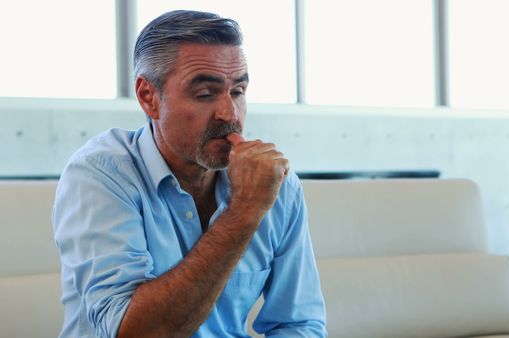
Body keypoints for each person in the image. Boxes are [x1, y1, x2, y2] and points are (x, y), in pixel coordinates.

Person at [52, 10, 326, 338]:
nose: (230, 114)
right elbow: (133, 332)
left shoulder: (277, 185)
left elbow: (298, 324)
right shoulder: (100, 176)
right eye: (205, 94)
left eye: (238, 91)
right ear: (148, 97)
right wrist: (243, 212)